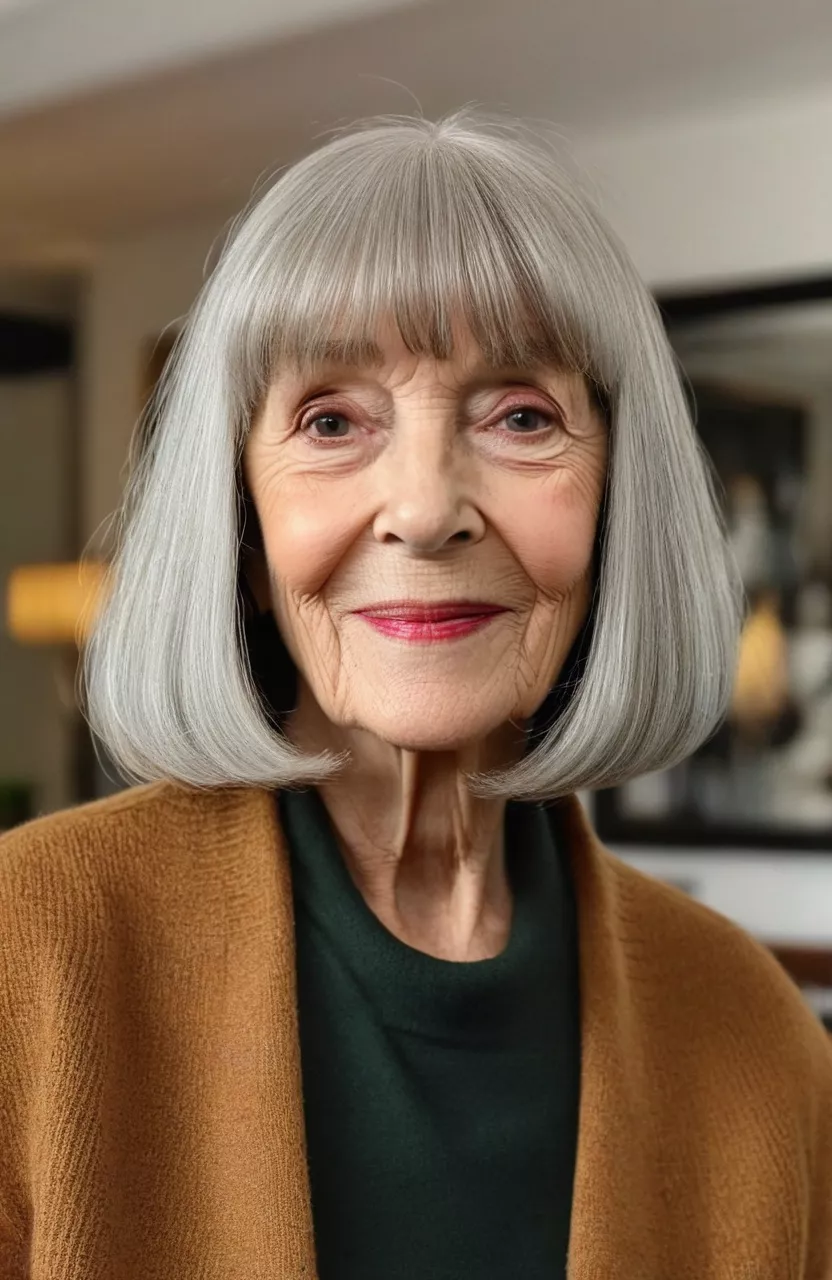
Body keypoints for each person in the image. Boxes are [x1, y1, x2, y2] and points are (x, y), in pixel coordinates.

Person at [1, 112, 830, 1280]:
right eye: (332, 421)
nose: (425, 505)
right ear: (241, 528)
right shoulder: (25, 947)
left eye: (521, 416)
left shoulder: (751, 1022)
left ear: (615, 509)